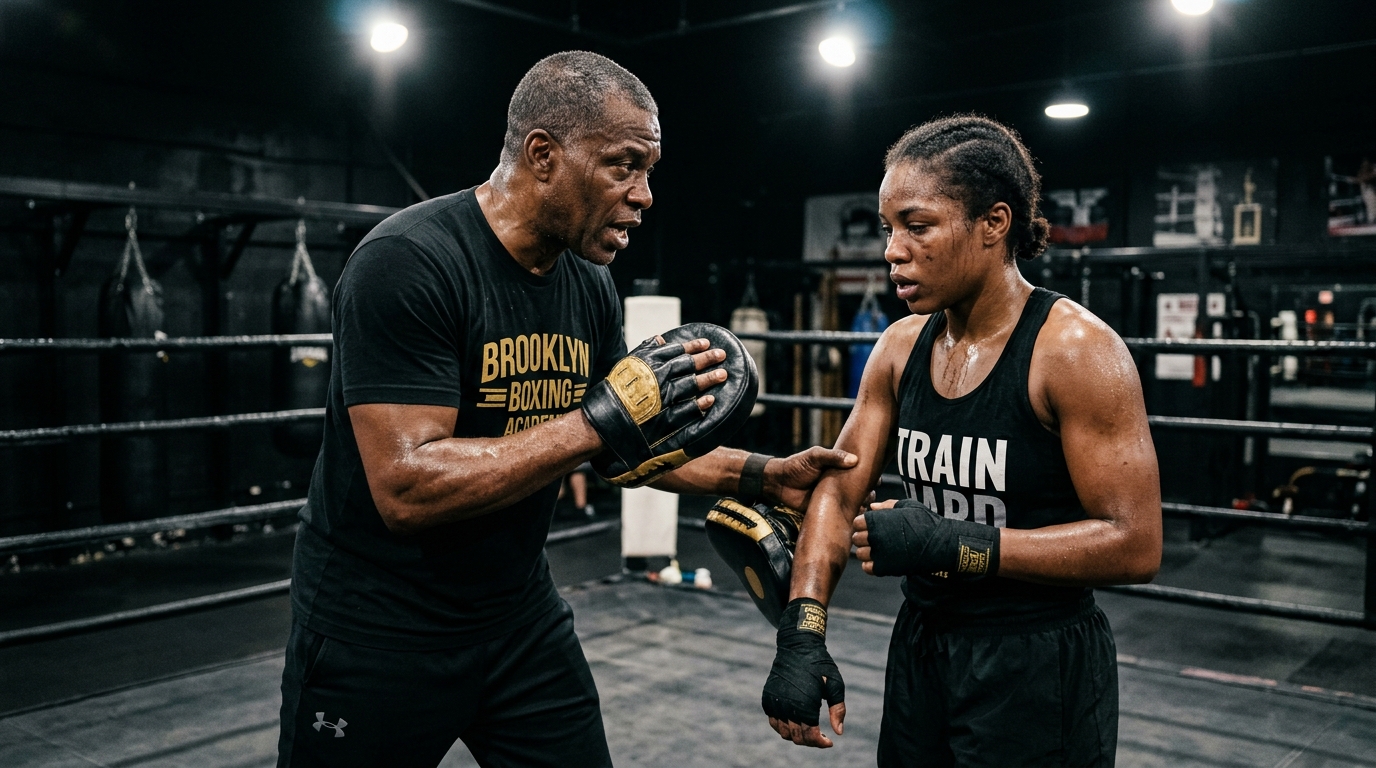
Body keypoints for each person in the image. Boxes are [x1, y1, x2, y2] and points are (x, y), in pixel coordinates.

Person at [277, 51, 856, 768]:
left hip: (519, 621)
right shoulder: (409, 261)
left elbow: (624, 445)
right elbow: (407, 485)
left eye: (649, 171)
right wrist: (596, 421)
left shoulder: (585, 282)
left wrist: (766, 475)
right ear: (543, 155)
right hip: (379, 631)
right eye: (623, 165)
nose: (644, 195)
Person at [760, 115, 1162, 767]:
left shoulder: (1075, 352)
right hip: (924, 644)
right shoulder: (899, 346)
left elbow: (1135, 542)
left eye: (917, 226)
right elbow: (836, 492)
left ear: (994, 224)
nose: (893, 249)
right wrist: (802, 630)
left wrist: (959, 544)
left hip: (1035, 658)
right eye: (890, 228)